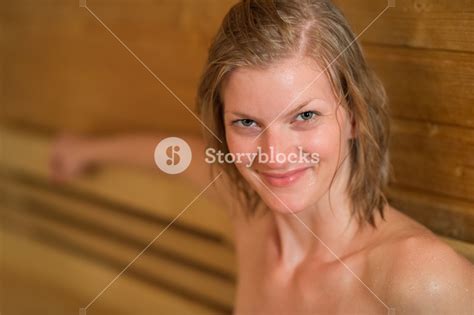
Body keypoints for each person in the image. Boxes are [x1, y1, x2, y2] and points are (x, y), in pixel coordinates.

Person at [50, 0, 473, 314]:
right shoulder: (249, 211)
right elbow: (172, 154)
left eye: (305, 116)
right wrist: (82, 152)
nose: (274, 155)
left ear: (354, 115)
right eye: (247, 123)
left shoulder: (419, 278)